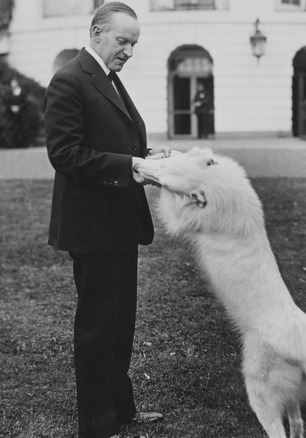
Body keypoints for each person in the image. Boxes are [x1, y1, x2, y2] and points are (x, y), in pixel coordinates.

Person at [44, 3, 169, 437]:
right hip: (92, 228)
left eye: (134, 43)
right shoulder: (69, 79)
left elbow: (117, 141)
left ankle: (121, 409)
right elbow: (64, 154)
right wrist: (131, 168)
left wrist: (149, 159)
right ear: (97, 33)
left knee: (120, 323)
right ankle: (97, 425)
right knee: (98, 327)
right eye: (123, 41)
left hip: (118, 224)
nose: (130, 51)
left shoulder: (108, 80)